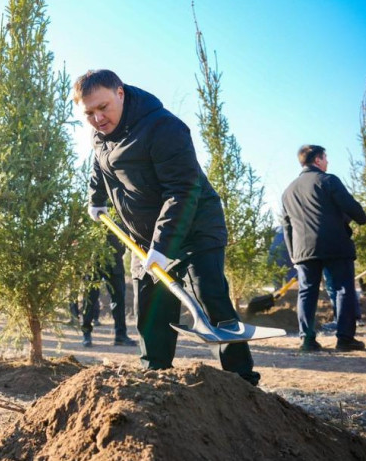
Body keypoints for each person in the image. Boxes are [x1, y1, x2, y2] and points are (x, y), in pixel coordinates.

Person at [74, 69, 260, 385]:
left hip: (195, 227)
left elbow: (183, 191)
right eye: (89, 112)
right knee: (151, 308)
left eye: (103, 107)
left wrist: (163, 246)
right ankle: (156, 378)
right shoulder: (100, 133)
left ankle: (241, 379)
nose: (97, 118)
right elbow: (99, 160)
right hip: (144, 236)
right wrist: (97, 199)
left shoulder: (163, 127)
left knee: (211, 297)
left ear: (120, 93)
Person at [281, 144, 366, 352]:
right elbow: (354, 211)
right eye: (325, 157)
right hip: (335, 245)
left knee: (306, 292)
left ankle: (307, 340)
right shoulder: (328, 181)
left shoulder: (288, 191)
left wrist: (293, 254)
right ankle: (345, 338)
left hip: (303, 250)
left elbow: (287, 226)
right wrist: (358, 216)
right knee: (342, 289)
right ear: (318, 160)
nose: (327, 162)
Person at [81, 232, 137, 347]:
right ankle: (86, 334)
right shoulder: (89, 215)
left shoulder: (119, 215)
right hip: (93, 263)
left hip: (115, 262)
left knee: (119, 299)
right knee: (90, 299)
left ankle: (120, 335)